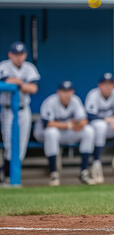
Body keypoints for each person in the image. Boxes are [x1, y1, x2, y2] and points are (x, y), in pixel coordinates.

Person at [33, 81, 95, 186]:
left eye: (69, 91)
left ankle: (84, 172)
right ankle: (54, 174)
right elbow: (47, 124)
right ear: (58, 92)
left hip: (65, 133)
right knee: (51, 133)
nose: (66, 94)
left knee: (88, 131)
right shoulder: (50, 101)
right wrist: (70, 125)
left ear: (72, 92)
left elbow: (84, 120)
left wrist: (79, 125)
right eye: (63, 91)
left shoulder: (75, 100)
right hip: (45, 134)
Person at [0, 42, 40, 186]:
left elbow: (33, 88)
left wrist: (19, 83)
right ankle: (7, 177)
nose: (18, 57)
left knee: (21, 146)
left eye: (21, 54)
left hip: (24, 110)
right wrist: (22, 84)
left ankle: (11, 177)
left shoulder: (29, 68)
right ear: (10, 54)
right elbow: (5, 81)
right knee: (10, 144)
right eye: (15, 54)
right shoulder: (4, 66)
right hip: (7, 109)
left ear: (25, 55)